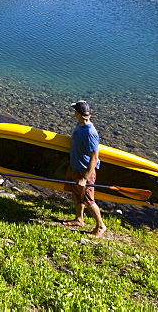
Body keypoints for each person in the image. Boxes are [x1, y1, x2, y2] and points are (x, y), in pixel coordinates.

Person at [63, 100, 107, 237]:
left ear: (78, 113)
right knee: (76, 196)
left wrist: (84, 178)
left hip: (85, 171)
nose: (74, 113)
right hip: (75, 166)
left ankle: (100, 226)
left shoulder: (90, 133)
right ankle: (79, 219)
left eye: (75, 111)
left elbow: (94, 158)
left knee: (88, 200)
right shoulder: (80, 124)